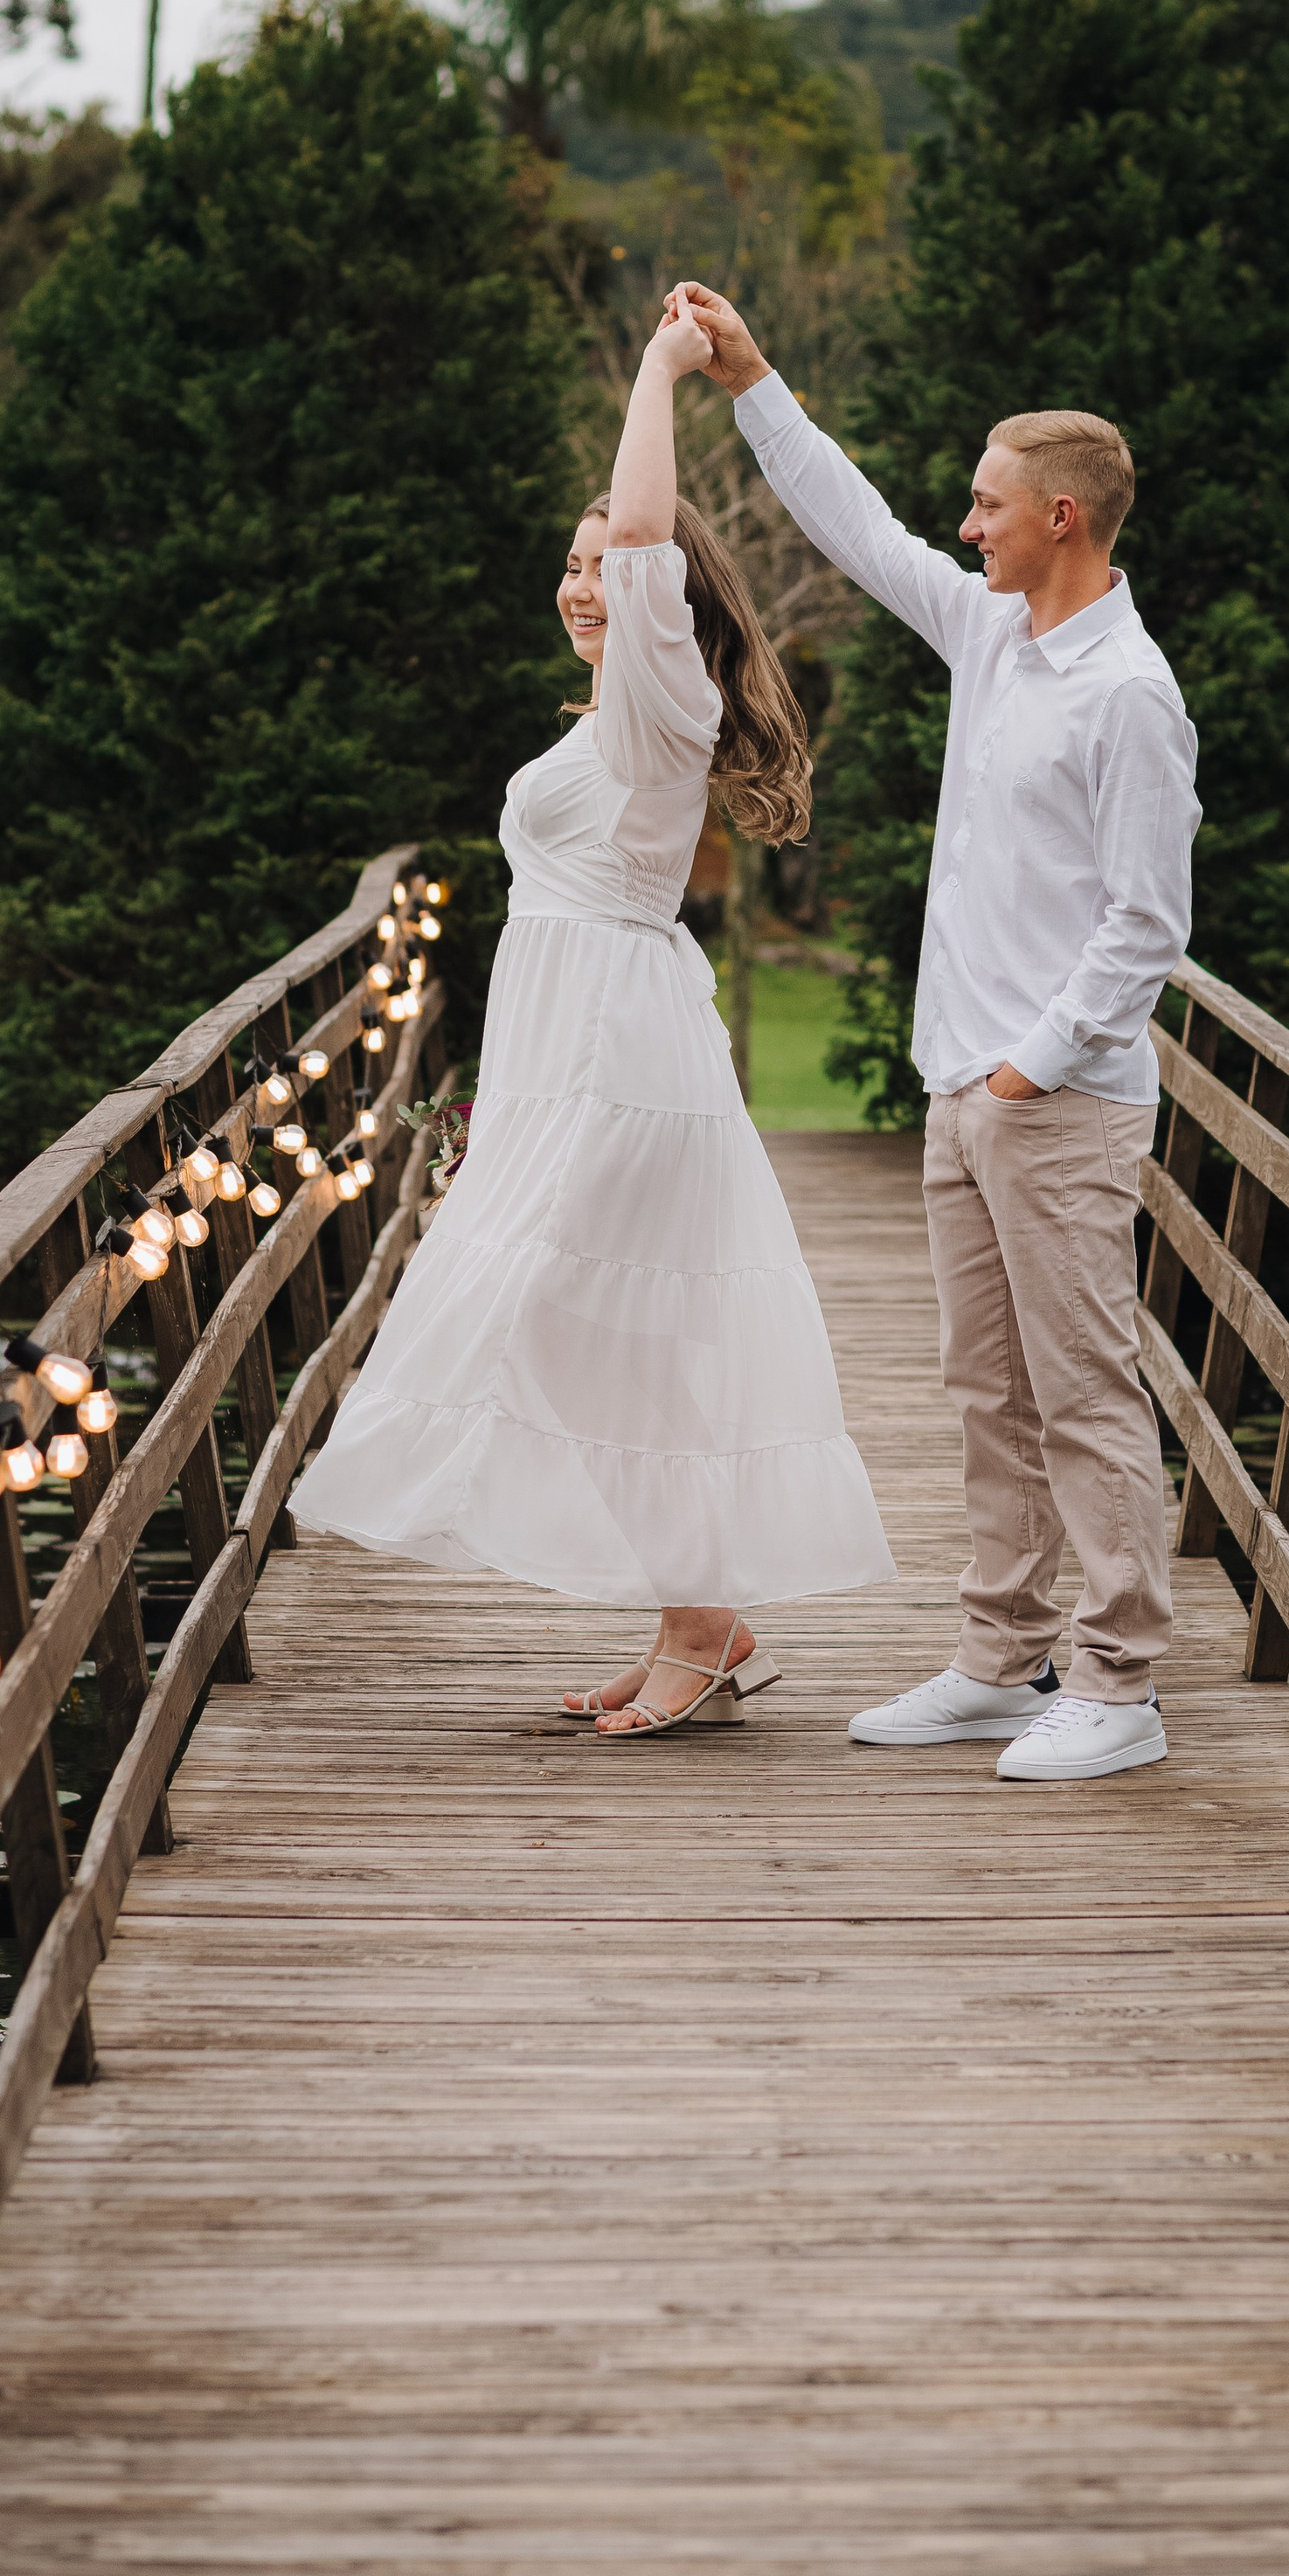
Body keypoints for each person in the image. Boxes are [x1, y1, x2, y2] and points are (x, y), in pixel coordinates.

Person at [293, 299, 894, 1735]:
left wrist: (657, 371)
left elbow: (642, 544)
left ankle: (700, 1618)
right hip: (574, 1054)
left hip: (623, 1055)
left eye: (605, 567)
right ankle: (702, 1617)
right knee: (588, 1334)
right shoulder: (599, 718)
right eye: (567, 567)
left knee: (580, 1322)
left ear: (666, 597)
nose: (583, 584)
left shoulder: (657, 694)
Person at [671, 283, 1199, 1783]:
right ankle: (1000, 1652)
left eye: (988, 506)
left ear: (1064, 518)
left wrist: (1036, 1061)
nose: (965, 528)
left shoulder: (1132, 697)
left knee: (1085, 1391)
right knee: (987, 1391)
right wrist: (754, 379)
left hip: (1060, 1099)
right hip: (961, 1091)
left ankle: (1119, 1684)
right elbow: (855, 526)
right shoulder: (990, 634)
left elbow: (1146, 925)